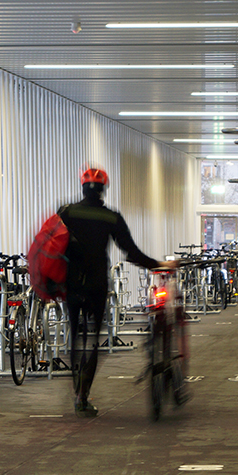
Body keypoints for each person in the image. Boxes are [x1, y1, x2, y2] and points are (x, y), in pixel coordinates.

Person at [61, 166, 177, 417]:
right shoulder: (110, 218)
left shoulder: (67, 212)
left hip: (71, 284)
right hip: (96, 285)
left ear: (83, 188)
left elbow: (50, 243)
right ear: (103, 190)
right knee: (93, 340)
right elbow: (131, 252)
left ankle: (76, 389)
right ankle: (83, 395)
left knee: (75, 337)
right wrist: (159, 264)